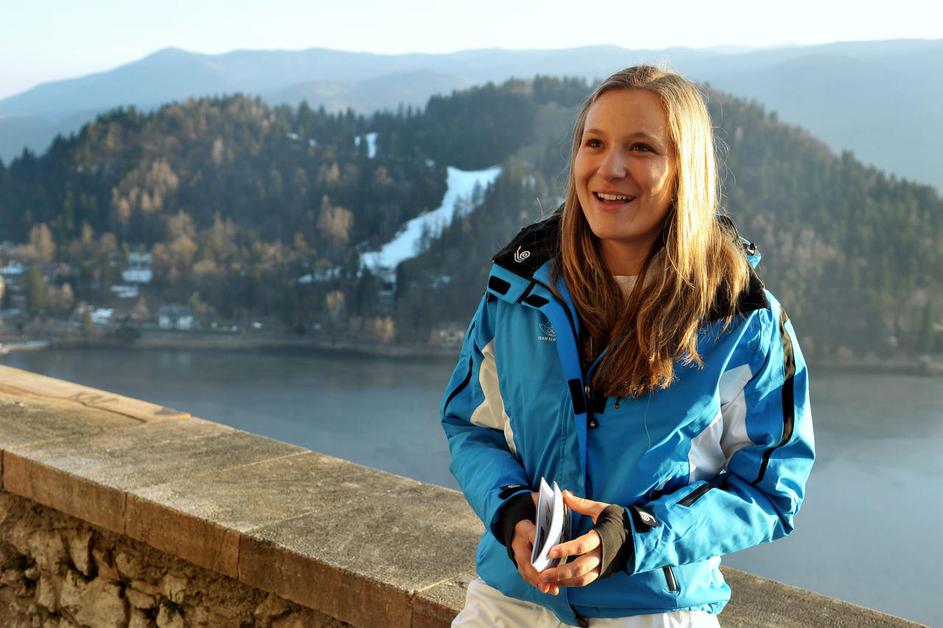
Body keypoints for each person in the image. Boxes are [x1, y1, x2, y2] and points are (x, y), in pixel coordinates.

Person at [440, 65, 814, 627]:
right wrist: (510, 507)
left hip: (653, 613)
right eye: (594, 143)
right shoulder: (517, 294)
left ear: (685, 169)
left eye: (641, 148)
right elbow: (471, 428)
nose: (610, 167)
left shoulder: (742, 319)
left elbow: (771, 491)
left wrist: (636, 536)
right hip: (510, 602)